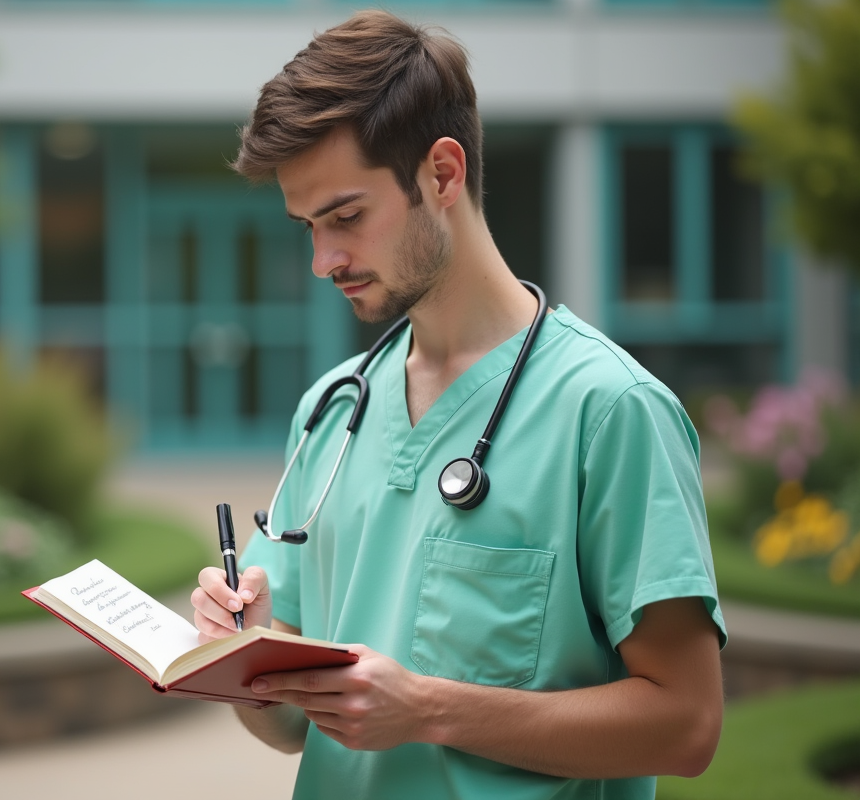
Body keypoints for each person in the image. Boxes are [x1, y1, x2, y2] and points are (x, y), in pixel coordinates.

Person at [190, 9, 727, 800]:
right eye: (308, 227)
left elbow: (686, 726)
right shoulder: (332, 410)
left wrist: (430, 711)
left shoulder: (611, 412)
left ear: (442, 174)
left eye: (345, 217)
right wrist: (247, 658)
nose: (322, 261)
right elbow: (289, 729)